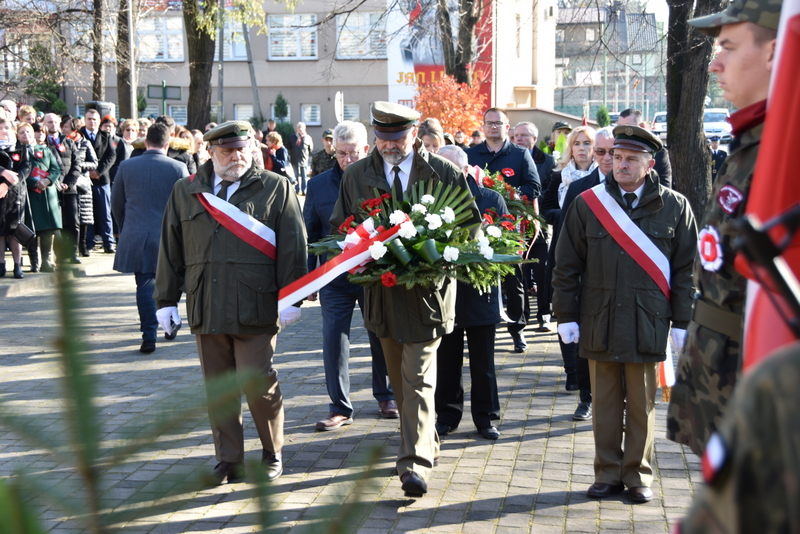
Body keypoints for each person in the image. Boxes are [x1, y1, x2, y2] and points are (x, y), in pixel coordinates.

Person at [330, 101, 480, 498]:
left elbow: (469, 228)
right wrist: (355, 251)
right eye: (382, 138)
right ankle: (427, 439)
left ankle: (413, 465)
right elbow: (340, 227)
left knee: (416, 379)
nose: (389, 145)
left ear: (414, 135)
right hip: (381, 298)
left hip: (427, 297)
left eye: (397, 139)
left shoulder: (443, 172)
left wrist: (437, 253)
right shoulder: (358, 174)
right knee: (400, 383)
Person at [154, 121, 307, 485]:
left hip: (256, 304)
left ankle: (272, 453)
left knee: (258, 381)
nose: (237, 156)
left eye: (242, 148)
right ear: (210, 152)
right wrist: (165, 299)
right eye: (227, 150)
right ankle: (229, 460)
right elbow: (171, 247)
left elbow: (293, 247)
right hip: (207, 302)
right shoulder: (185, 191)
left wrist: (293, 297)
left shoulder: (275, 187)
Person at [552, 125, 697, 503]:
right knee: (604, 403)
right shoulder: (588, 203)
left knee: (642, 404)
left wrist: (683, 323)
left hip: (649, 320)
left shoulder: (675, 206)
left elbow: (687, 272)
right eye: (616, 157)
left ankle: (637, 475)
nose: (621, 165)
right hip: (599, 317)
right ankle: (607, 472)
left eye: (631, 159)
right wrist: (565, 314)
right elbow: (566, 265)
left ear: (649, 164)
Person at [666, 0, 780, 457]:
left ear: (775, 51)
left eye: (729, 47)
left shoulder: (783, 149)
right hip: (722, 383)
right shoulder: (754, 142)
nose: (714, 63)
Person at [303, 121, 398, 431]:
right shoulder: (317, 186)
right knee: (334, 340)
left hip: (374, 275)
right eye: (341, 154)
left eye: (353, 153)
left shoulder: (382, 180)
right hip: (334, 277)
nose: (347, 160)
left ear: (366, 150)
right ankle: (339, 406)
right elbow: (311, 235)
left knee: (380, 335)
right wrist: (310, 278)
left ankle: (386, 396)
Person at [434, 144, 506, 441]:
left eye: (449, 169)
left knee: (483, 362)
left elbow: (508, 242)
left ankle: (486, 417)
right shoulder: (430, 204)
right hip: (445, 294)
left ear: (465, 170)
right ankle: (447, 416)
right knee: (446, 362)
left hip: (481, 292)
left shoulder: (491, 200)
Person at [552, 128, 616, 417]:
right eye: (600, 151)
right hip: (588, 279)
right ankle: (586, 397)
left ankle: (618, 397)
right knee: (584, 341)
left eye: (611, 152)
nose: (605, 158)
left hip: (622, 279)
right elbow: (566, 241)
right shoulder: (580, 189)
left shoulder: (633, 188)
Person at [466, 108, 540, 353]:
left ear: (507, 126)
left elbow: (534, 186)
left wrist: (512, 195)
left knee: (513, 279)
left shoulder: (519, 154)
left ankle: (518, 331)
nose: (494, 127)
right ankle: (476, 325)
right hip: (477, 225)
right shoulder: (470, 153)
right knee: (476, 275)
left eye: (499, 123)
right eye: (489, 123)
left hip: (509, 226)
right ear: (484, 126)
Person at [112, 123, 189, 354]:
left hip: (137, 234)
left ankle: (149, 334)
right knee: (170, 284)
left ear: (145, 142)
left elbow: (116, 205)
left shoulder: (126, 166)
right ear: (168, 144)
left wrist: (124, 228)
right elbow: (187, 207)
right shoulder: (178, 167)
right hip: (169, 236)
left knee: (144, 284)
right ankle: (169, 324)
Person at [541, 126, 598, 409]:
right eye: (578, 143)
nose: (582, 149)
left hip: (594, 254)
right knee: (565, 308)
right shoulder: (559, 176)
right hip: (564, 244)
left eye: (588, 143)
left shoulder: (604, 177)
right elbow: (545, 207)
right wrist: (565, 215)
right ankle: (572, 372)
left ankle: (587, 383)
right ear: (570, 148)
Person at [514, 121, 557, 333]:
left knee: (542, 271)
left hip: (539, 226)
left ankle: (544, 315)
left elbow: (549, 192)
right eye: (516, 136)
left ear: (534, 138)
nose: (518, 139)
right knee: (519, 272)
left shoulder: (548, 161)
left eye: (523, 135)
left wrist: (529, 197)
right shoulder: (512, 157)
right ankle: (523, 316)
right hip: (515, 225)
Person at [19, 122, 62, 273]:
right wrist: (34, 182)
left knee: (47, 229)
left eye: (28, 132)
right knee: (32, 228)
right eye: (22, 132)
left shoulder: (45, 150)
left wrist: (47, 180)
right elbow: (19, 171)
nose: (26, 135)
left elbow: (56, 169)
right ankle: (34, 262)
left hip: (47, 193)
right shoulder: (17, 152)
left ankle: (46, 261)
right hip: (29, 193)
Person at [43, 113, 83, 265]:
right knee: (56, 224)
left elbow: (77, 163)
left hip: (70, 188)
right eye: (49, 122)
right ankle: (59, 256)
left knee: (73, 221)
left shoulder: (69, 142)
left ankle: (72, 253)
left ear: (60, 123)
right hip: (52, 189)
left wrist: (69, 182)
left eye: (55, 122)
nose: (52, 125)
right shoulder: (43, 143)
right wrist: (57, 183)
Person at [80, 108, 117, 254]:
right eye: (89, 119)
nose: (92, 121)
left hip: (102, 179)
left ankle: (108, 242)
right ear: (85, 120)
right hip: (84, 179)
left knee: (104, 212)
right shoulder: (78, 135)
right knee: (87, 213)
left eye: (95, 119)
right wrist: (87, 172)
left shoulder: (106, 136)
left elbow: (111, 156)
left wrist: (99, 171)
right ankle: (89, 243)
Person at [616, 109, 672, 188]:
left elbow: (664, 190)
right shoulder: (613, 152)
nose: (624, 134)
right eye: (620, 128)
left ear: (641, 126)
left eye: (628, 129)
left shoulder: (659, 155)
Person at [0, 120, 26, 279]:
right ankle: (1, 265)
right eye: (0, 128)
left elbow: (25, 169)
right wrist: (3, 172)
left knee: (14, 231)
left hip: (15, 195)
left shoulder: (20, 149)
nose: (4, 130)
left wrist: (6, 185)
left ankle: (17, 265)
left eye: (7, 128)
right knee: (0, 233)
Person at [288, 121, 313, 195]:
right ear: (296, 129)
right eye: (299, 127)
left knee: (304, 176)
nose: (300, 129)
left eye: (302, 127)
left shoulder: (308, 138)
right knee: (296, 176)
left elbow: (310, 149)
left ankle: (304, 189)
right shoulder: (292, 137)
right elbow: (289, 148)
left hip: (304, 159)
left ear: (304, 129)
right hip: (294, 159)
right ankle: (297, 189)